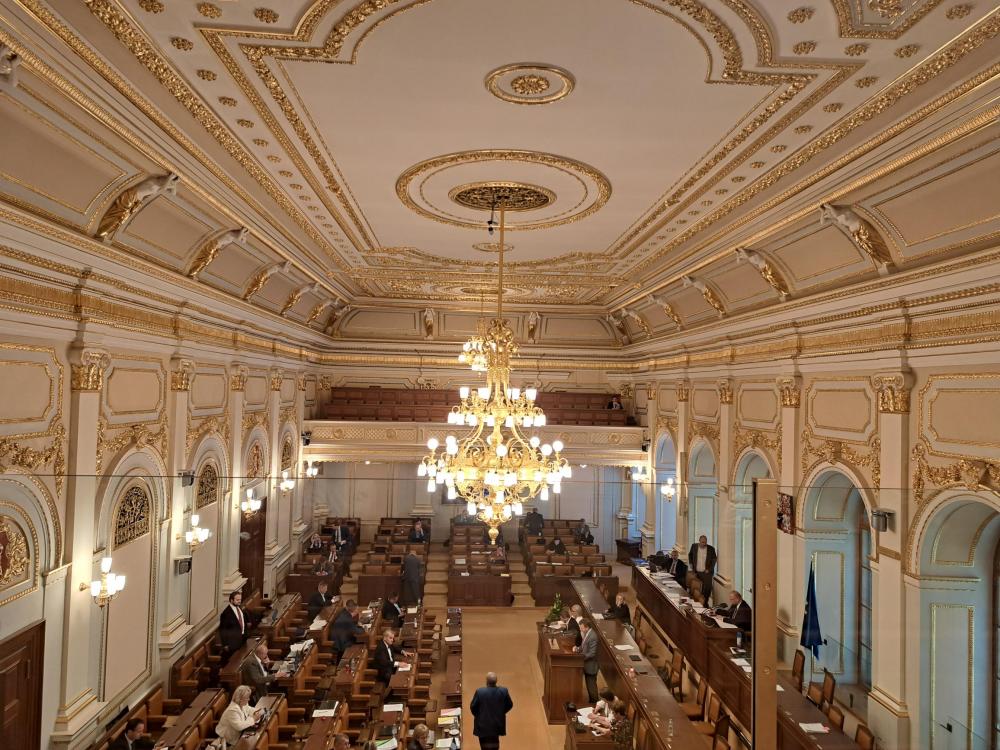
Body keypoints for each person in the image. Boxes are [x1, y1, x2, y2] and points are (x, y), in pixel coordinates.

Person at [470, 672, 513, 750]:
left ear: (486, 681)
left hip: (482, 725)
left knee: (484, 746)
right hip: (497, 725)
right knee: (495, 745)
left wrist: (479, 716)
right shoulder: (503, 691)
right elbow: (510, 705)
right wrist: (501, 712)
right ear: (496, 681)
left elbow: (473, 707)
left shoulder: (480, 692)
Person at [688, 534, 717, 605]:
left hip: (706, 573)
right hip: (696, 572)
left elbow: (714, 560)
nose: (704, 544)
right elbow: (690, 555)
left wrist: (709, 569)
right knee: (697, 588)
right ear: (699, 541)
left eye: (705, 542)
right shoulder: (694, 546)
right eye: (702, 542)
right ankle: (696, 603)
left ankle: (705, 603)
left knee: (707, 588)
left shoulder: (711, 549)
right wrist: (691, 563)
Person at [575, 619, 599, 703]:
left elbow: (592, 653)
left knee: (591, 686)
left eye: (581, 628)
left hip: (591, 666)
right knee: (589, 686)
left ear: (587, 627)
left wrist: (581, 658)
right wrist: (577, 649)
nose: (580, 629)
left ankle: (595, 703)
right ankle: (592, 702)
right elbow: (583, 646)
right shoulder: (587, 633)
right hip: (586, 664)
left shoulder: (593, 637)